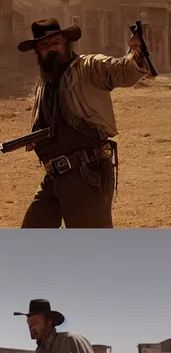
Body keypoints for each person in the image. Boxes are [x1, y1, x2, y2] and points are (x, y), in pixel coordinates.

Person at [15, 19, 148, 228]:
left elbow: (120, 70)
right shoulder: (44, 82)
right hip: (53, 176)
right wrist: (35, 139)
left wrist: (137, 55)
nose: (50, 49)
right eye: (44, 46)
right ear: (37, 53)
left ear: (66, 42)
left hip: (86, 173)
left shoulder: (88, 67)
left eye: (54, 43)